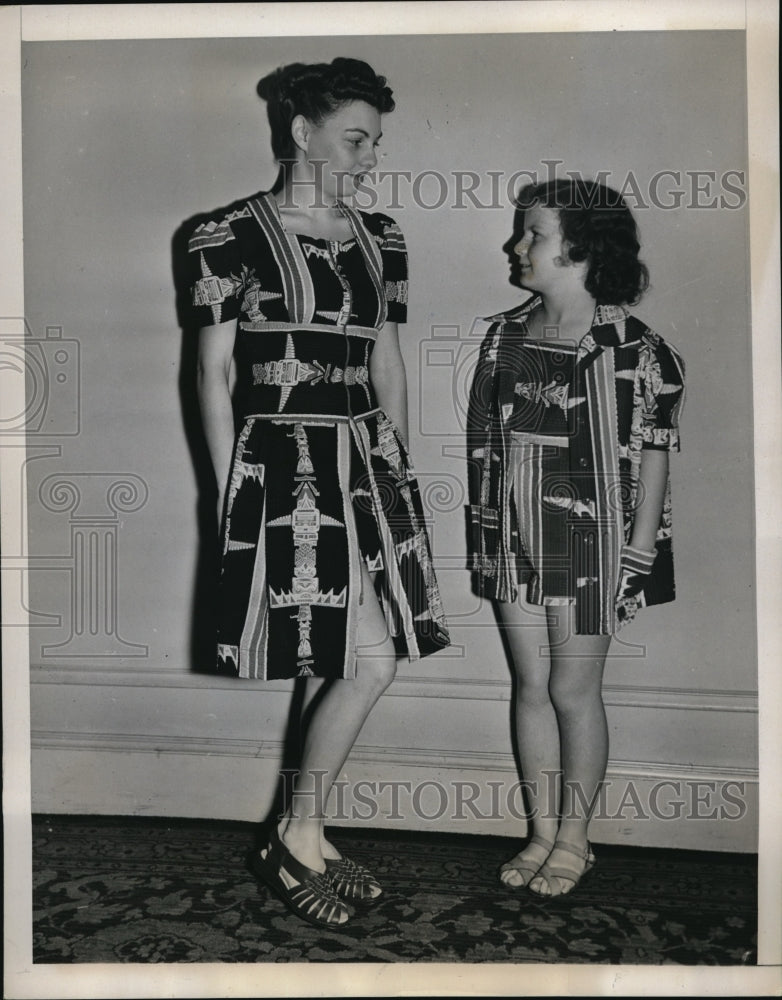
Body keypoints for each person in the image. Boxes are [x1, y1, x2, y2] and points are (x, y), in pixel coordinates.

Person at [188, 57, 450, 928]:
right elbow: (215, 371)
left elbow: (385, 356)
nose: (370, 156)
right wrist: (230, 486)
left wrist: (399, 467)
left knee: (335, 654)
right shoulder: (223, 233)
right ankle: (295, 833)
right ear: (303, 134)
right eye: (356, 138)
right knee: (366, 660)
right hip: (281, 461)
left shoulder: (383, 237)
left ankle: (308, 826)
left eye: (375, 141)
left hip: (367, 461)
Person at [467, 178, 685, 898]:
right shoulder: (508, 334)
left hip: (593, 540)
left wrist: (640, 546)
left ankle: (574, 839)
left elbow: (653, 450)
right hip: (515, 532)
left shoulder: (633, 347)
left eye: (533, 232)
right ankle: (538, 833)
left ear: (583, 246)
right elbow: (491, 447)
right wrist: (491, 532)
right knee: (530, 685)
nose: (517, 245)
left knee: (571, 686)